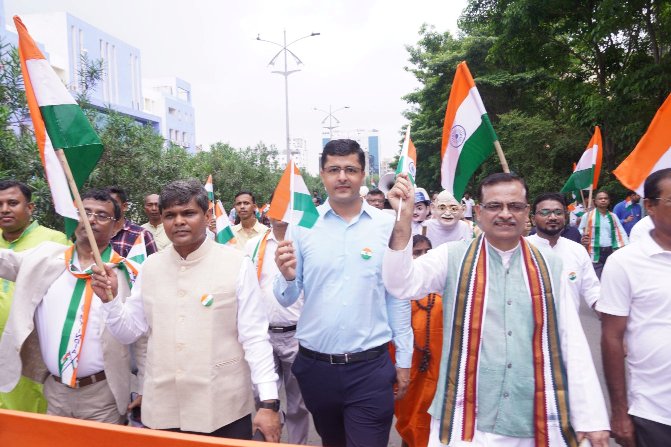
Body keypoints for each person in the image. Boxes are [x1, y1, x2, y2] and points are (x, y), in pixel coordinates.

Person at [383, 172, 610, 447]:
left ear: (526, 212)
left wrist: (592, 418)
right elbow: (400, 284)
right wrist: (403, 221)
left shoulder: (550, 265)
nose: (505, 214)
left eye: (514, 206)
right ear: (478, 212)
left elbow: (570, 339)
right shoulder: (452, 257)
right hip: (467, 421)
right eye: (494, 206)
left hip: (534, 416)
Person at [92, 179, 281, 440]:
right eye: (170, 215)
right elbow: (129, 332)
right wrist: (110, 301)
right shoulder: (151, 267)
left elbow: (255, 337)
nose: (179, 221)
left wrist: (269, 403)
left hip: (223, 406)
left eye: (188, 213)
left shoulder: (237, 264)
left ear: (206, 216)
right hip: (163, 408)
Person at [273, 139, 413, 447]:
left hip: (370, 369)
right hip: (315, 368)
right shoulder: (303, 225)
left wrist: (404, 357)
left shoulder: (387, 225)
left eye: (351, 169)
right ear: (322, 175)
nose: (342, 177)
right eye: (334, 169)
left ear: (363, 175)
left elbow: (397, 295)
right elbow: (286, 297)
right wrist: (286, 277)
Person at [0, 189, 142, 424]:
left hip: (102, 395)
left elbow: (142, 339)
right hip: (56, 391)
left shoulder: (127, 274)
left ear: (116, 225)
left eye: (101, 215)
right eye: (85, 213)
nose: (92, 219)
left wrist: (144, 386)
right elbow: (6, 262)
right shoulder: (45, 259)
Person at [598, 168, 671, 447]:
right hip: (655, 414)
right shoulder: (625, 263)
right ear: (649, 206)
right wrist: (619, 411)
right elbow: (611, 338)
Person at [0, 180, 69, 413]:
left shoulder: (53, 241)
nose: (4, 209)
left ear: (30, 208)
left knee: (28, 413)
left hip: (27, 345)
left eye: (12, 203)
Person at [245, 217, 310, 445]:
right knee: (263, 397)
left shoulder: (306, 243)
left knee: (298, 402)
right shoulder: (253, 245)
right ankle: (272, 434)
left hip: (297, 335)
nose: (281, 213)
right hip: (263, 335)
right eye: (278, 207)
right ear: (270, 213)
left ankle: (297, 442)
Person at [393, 234, 443, 447]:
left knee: (429, 419)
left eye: (427, 252)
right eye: (417, 253)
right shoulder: (396, 292)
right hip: (406, 368)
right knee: (409, 417)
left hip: (436, 370)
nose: (423, 257)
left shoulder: (443, 288)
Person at [526, 192, 600, 311]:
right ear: (533, 219)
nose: (553, 217)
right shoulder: (521, 249)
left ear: (565, 217)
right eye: (545, 212)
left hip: (570, 327)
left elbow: (593, 290)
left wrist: (607, 315)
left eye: (558, 212)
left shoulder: (577, 250)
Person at [579, 190, 628, 278]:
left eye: (605, 198)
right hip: (594, 251)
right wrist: (583, 237)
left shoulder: (613, 216)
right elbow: (580, 231)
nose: (603, 200)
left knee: (611, 277)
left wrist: (626, 247)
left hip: (611, 250)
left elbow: (621, 232)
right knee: (596, 277)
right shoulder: (587, 216)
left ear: (609, 201)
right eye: (600, 198)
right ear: (595, 201)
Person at [107, 186, 158, 258]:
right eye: (106, 203)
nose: (108, 207)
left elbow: (153, 265)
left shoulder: (141, 234)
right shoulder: (96, 233)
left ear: (124, 206)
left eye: (114, 203)